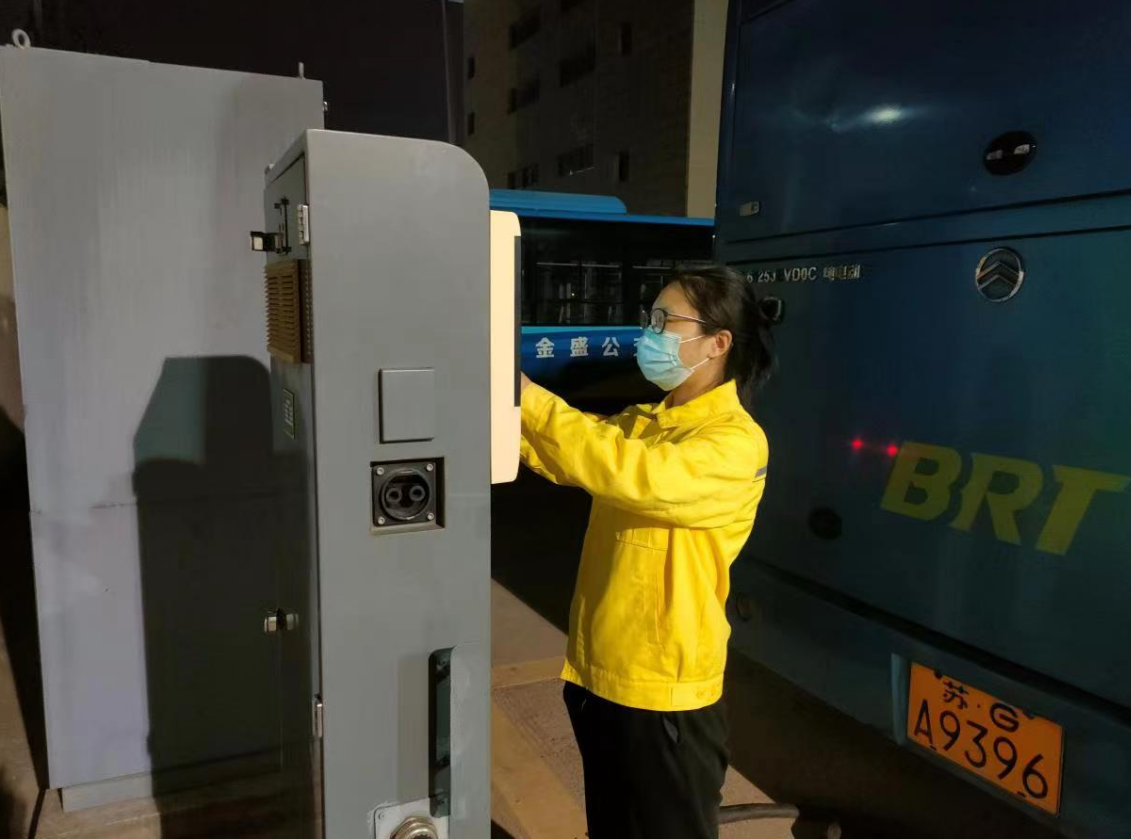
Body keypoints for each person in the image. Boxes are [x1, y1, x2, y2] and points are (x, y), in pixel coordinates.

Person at [518, 265, 777, 839]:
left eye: (664, 320)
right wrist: (503, 409)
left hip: (664, 695)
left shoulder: (733, 442)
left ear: (717, 342)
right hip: (601, 677)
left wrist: (528, 399)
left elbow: (628, 471)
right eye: (650, 319)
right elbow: (574, 454)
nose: (649, 333)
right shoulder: (650, 422)